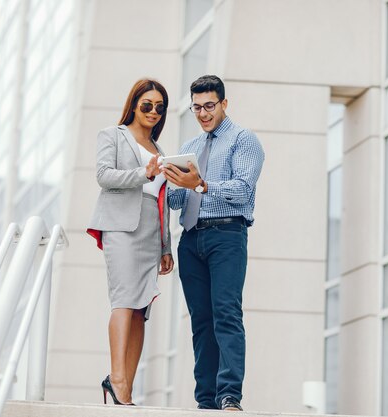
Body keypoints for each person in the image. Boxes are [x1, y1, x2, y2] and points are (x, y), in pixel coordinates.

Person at [163, 75, 264, 411]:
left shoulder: (243, 140)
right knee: (201, 321)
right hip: (190, 240)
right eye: (196, 108)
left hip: (226, 236)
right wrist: (169, 180)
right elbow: (178, 201)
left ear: (224, 103)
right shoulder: (189, 148)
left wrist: (202, 185)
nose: (203, 113)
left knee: (226, 314)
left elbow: (243, 190)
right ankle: (206, 400)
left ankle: (229, 396)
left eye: (209, 106)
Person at [86, 78, 174, 406]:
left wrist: (166, 247)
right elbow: (103, 175)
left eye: (159, 108)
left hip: (152, 233)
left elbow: (161, 199)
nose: (153, 111)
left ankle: (126, 387)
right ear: (134, 105)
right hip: (121, 228)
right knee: (123, 301)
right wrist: (143, 174)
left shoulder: (161, 151)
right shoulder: (113, 135)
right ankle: (117, 379)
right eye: (147, 105)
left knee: (141, 311)